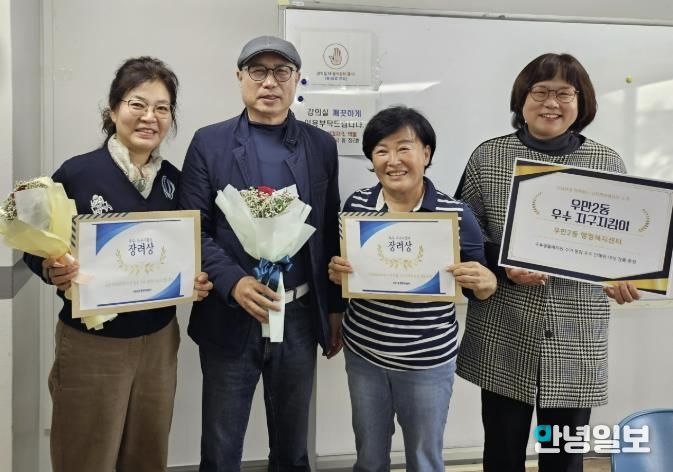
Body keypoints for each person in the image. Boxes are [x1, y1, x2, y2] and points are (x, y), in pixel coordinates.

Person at [23, 56, 213, 472]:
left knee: (147, 455)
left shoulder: (174, 181)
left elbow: (187, 249)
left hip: (158, 340)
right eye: (137, 104)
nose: (149, 117)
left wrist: (194, 278)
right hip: (92, 345)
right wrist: (52, 268)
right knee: (86, 456)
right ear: (112, 110)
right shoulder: (77, 173)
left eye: (162, 108)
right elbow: (34, 248)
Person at [455, 53, 641, 472]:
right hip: (505, 328)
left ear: (581, 102)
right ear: (521, 99)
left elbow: (621, 243)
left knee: (563, 456)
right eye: (540, 92)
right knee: (502, 454)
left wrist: (626, 278)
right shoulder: (488, 157)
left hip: (576, 333)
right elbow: (463, 238)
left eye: (564, 93)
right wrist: (503, 268)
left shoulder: (606, 163)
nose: (551, 103)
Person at [178, 36, 345, 471]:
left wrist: (334, 309)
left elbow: (328, 230)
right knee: (221, 448)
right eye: (258, 71)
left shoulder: (320, 145)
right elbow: (193, 230)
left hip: (299, 315)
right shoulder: (209, 143)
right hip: (229, 314)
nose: (269, 82)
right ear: (240, 77)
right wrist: (234, 282)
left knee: (292, 449)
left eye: (281, 71)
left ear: (296, 79)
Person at [328, 106, 497, 471]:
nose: (393, 161)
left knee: (424, 459)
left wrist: (486, 282)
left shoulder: (455, 214)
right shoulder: (356, 206)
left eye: (404, 148)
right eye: (381, 151)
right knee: (369, 457)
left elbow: (477, 287)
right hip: (365, 354)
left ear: (426, 153)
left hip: (427, 361)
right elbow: (346, 274)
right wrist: (337, 272)